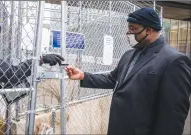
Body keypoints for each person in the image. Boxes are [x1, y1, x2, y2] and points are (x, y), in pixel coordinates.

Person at [65, 7, 191, 135]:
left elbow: (173, 116)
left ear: (149, 30)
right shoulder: (129, 55)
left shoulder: (174, 60)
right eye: (128, 28)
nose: (128, 33)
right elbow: (112, 79)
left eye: (133, 29)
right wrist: (83, 76)